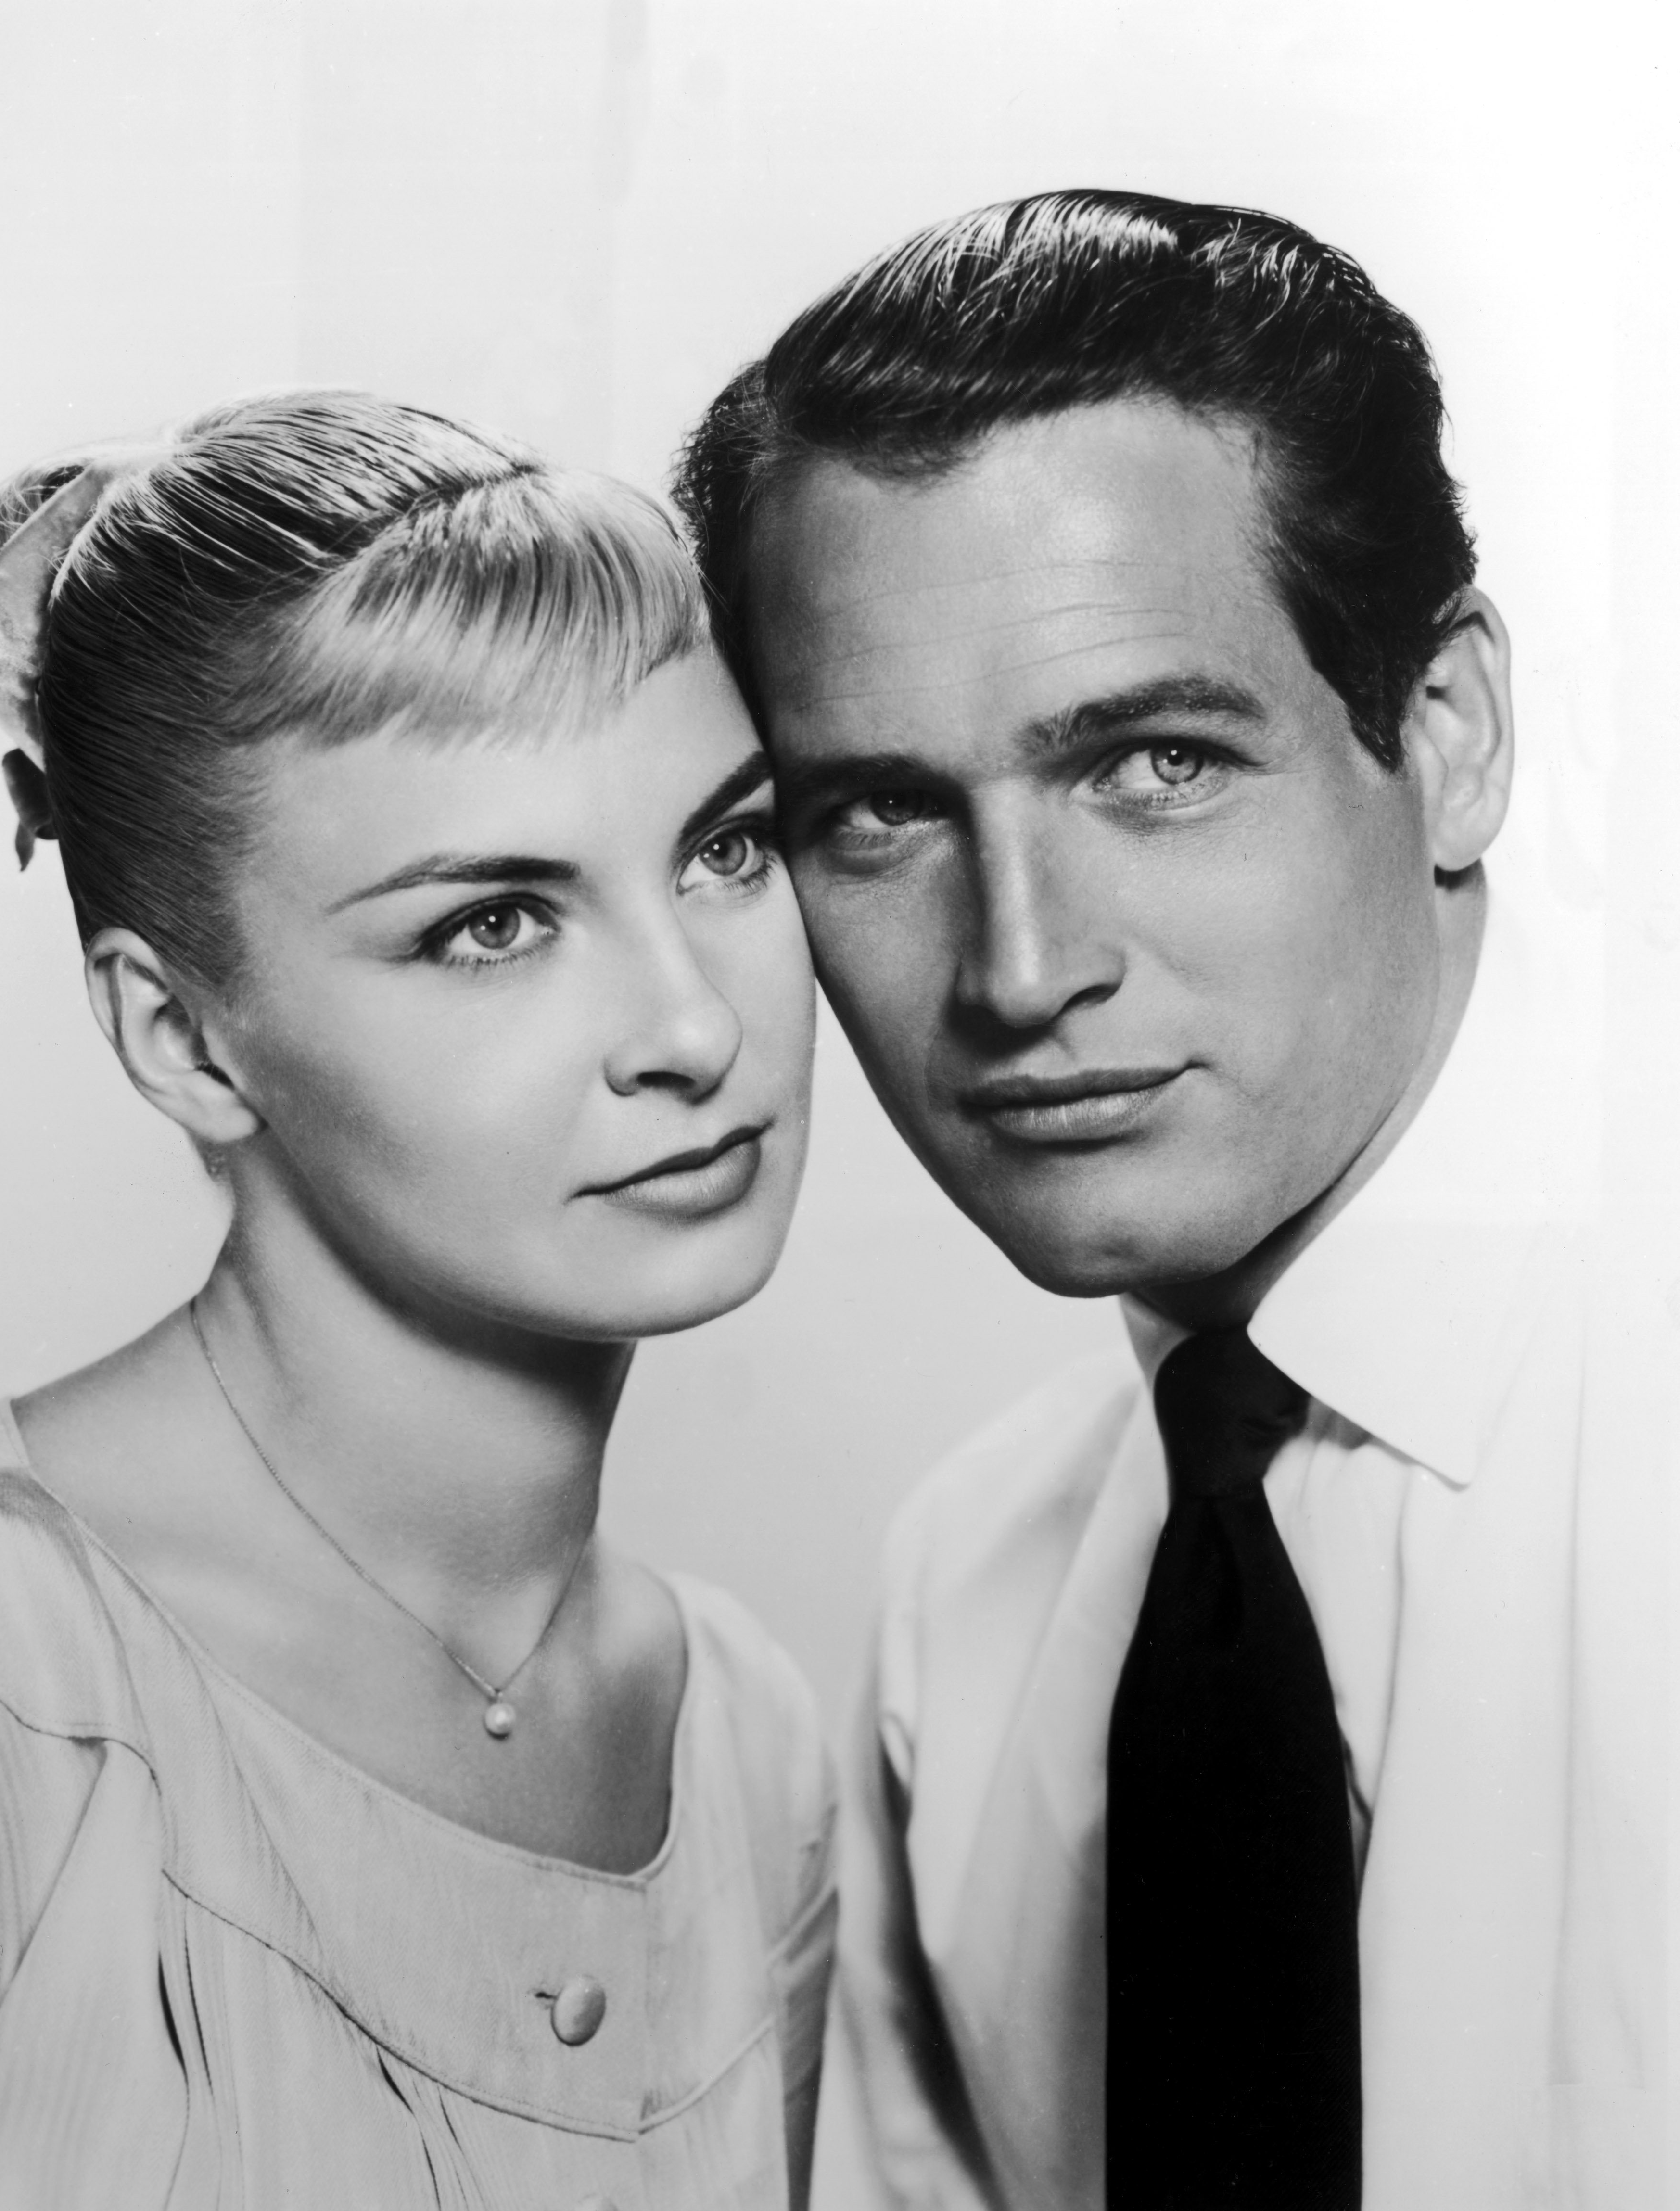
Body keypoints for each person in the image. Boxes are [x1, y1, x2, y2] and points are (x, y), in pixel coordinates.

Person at [677, 190, 1668, 2209]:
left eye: (1151, 764)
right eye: (877, 812)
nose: (1018, 966)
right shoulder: (967, 1604)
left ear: (1450, 736)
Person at [0, 393, 833, 2209]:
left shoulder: (746, 1743)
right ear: (182, 1035)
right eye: (493, 921)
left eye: (728, 849)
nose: (696, 1028)